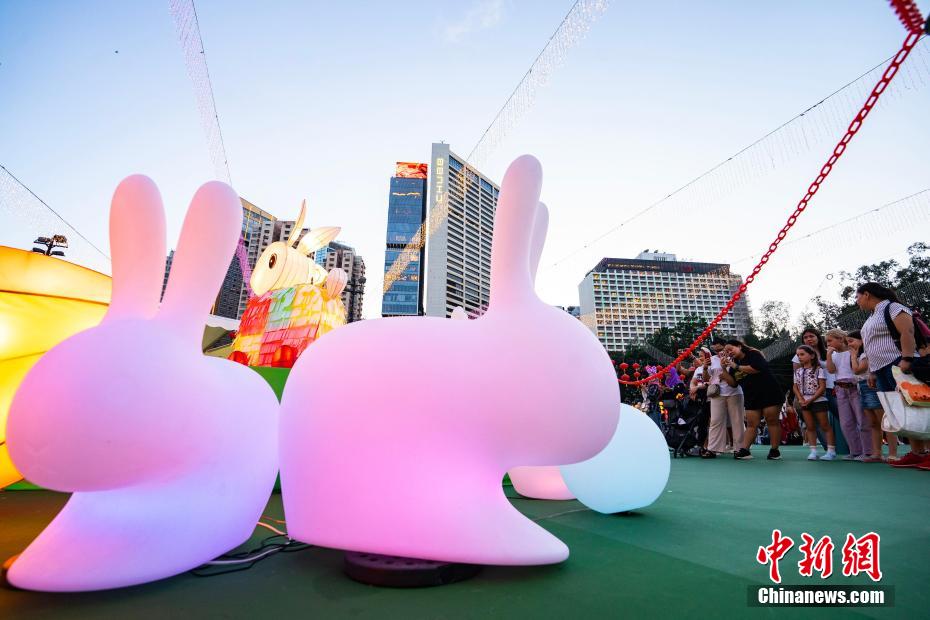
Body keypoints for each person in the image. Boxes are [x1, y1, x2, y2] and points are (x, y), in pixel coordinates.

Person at [856, 282, 927, 467]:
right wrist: (871, 372)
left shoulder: (893, 307)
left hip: (898, 364)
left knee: (918, 407)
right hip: (881, 370)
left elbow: (907, 332)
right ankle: (917, 453)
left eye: (857, 297)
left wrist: (907, 359)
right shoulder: (871, 317)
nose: (857, 302)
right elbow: (871, 347)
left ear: (867, 294)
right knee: (901, 411)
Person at [719, 339, 783, 460]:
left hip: (769, 391)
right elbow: (733, 384)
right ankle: (745, 450)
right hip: (751, 396)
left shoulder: (753, 354)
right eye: (726, 351)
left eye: (730, 349)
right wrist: (723, 369)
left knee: (771, 420)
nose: (728, 352)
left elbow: (757, 368)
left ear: (739, 346)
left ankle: (775, 450)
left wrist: (736, 366)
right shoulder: (733, 364)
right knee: (751, 423)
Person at [847, 329, 897, 462]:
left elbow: (858, 370)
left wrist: (853, 355)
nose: (849, 345)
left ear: (862, 340)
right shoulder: (859, 355)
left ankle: (892, 454)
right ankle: (877, 453)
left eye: (851, 341)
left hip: (871, 386)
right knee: (873, 423)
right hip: (862, 388)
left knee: (885, 422)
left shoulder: (865, 354)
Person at [825, 328, 873, 461]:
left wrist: (853, 354)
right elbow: (831, 369)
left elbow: (855, 369)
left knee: (862, 419)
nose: (828, 344)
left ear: (840, 339)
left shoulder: (852, 352)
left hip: (854, 386)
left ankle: (868, 451)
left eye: (830, 340)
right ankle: (855, 450)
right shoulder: (834, 355)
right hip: (840, 387)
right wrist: (829, 355)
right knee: (846, 422)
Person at [693, 342, 745, 457]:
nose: (718, 351)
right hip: (717, 392)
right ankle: (713, 449)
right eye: (714, 349)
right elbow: (707, 378)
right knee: (715, 421)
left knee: (737, 421)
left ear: (726, 347)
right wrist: (705, 368)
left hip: (734, 392)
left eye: (720, 348)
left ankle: (740, 448)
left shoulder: (734, 357)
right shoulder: (712, 359)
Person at [793, 328, 837, 452]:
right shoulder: (799, 356)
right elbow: (796, 379)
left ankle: (836, 449)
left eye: (811, 336)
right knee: (812, 425)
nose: (809, 339)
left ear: (818, 337)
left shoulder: (829, 352)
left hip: (830, 389)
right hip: (807, 396)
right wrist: (800, 398)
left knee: (838, 418)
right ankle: (822, 449)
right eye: (805, 337)